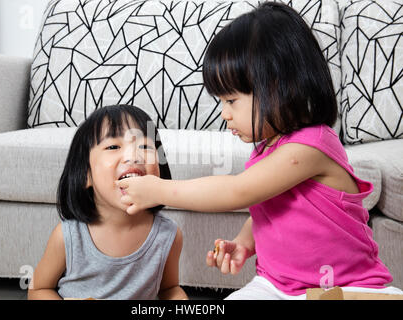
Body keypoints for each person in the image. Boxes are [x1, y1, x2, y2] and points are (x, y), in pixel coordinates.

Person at [116, 2, 402, 299]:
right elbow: (271, 207)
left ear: (276, 87)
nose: (224, 114)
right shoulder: (268, 149)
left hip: (345, 286)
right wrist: (244, 243)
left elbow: (238, 191)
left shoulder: (312, 145)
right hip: (277, 286)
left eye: (231, 101)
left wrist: (158, 190)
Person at [28, 105, 188, 300]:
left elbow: (169, 289)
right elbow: (38, 289)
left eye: (145, 146)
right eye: (113, 146)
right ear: (85, 174)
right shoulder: (68, 236)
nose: (133, 156)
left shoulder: (168, 235)